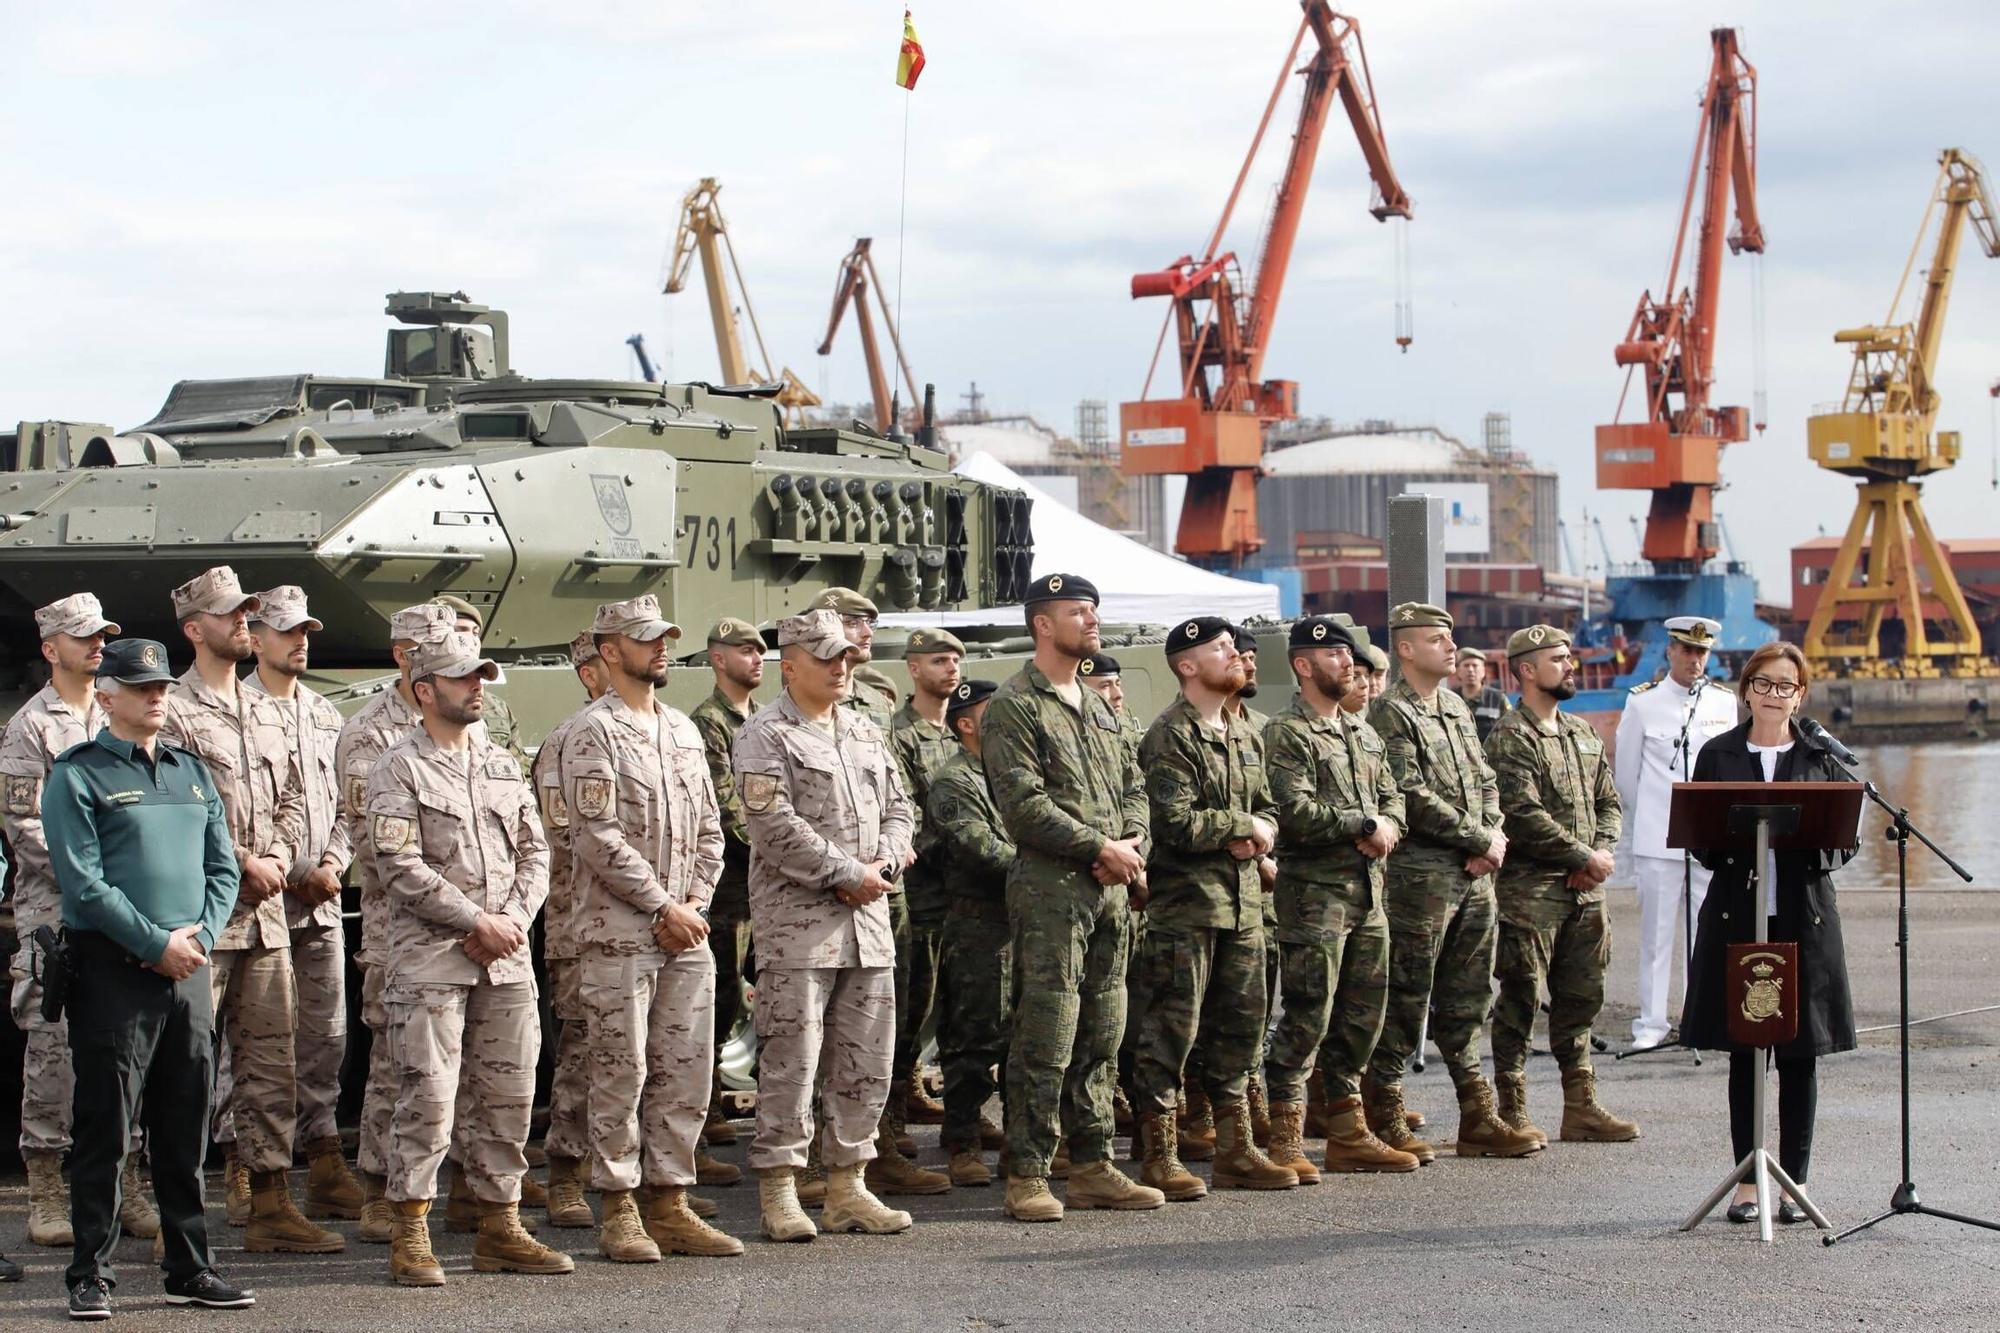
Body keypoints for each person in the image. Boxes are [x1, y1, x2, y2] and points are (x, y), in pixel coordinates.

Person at [46, 637, 254, 1318]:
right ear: (106, 695)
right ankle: (91, 1272)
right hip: (113, 970)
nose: (157, 695)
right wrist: (151, 940)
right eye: (140, 686)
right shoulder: (76, 775)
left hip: (187, 967)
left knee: (184, 1123)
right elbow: (83, 880)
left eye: (162, 684)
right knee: (106, 1127)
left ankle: (189, 1266)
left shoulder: (192, 773)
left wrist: (195, 933)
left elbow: (223, 869)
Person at [367, 630, 570, 1285]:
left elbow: (537, 853)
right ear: (425, 690)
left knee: (509, 1097)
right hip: (432, 962)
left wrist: (509, 920)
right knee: (428, 1099)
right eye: (462, 677)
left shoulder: (503, 761)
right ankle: (411, 1229)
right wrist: (474, 919)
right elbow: (397, 864)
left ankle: (499, 1225)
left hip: (505, 961)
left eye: (481, 674)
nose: (478, 685)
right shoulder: (398, 765)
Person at [161, 567, 338, 1252]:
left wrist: (282, 858)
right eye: (228, 614)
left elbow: (296, 791)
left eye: (245, 612)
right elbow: (175, 803)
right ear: (193, 628)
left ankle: (270, 1204)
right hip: (202, 915)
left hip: (266, 915)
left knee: (271, 1067)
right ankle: (177, 1218)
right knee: (188, 1066)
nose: (242, 621)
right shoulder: (171, 709)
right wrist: (244, 861)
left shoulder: (265, 709)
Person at [980, 574, 1163, 1223]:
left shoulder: (1099, 704)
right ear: (1041, 623)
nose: (1090, 619)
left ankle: (1092, 1163)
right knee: (1046, 1031)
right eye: (1076, 611)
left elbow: (1133, 782)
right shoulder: (1015, 705)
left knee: (1103, 1032)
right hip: (1054, 889)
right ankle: (1028, 1170)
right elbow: (1023, 805)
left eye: (1093, 609)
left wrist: (1133, 839)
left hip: (1113, 889)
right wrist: (1098, 846)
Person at [563, 595, 739, 1262]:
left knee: (686, 1071)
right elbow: (596, 837)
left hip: (685, 932)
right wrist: (665, 906)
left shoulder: (682, 731)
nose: (662, 648)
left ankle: (670, 1201)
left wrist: (692, 903)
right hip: (621, 933)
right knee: (620, 1070)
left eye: (666, 636)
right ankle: (619, 1208)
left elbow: (710, 830)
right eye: (646, 639)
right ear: (611, 651)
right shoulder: (593, 731)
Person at [732, 610, 916, 1242]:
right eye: (829, 658)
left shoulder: (864, 730)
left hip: (868, 924)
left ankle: (848, 1189)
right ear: (793, 665)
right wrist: (847, 872)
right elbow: (774, 826)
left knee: (867, 1061)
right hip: (799, 931)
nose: (843, 667)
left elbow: (900, 806)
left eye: (848, 658)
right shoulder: (765, 735)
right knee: (791, 1062)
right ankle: (781, 1190)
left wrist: (885, 861)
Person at [1681, 640, 1856, 1226]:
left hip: (1802, 916)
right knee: (1745, 1049)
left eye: (1786, 686)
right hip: (1739, 912)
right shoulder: (1718, 753)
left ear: (1800, 695)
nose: (1774, 695)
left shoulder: (1818, 755)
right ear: (1746, 690)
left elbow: (1843, 842)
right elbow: (1702, 840)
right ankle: (1747, 1180)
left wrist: (1813, 837)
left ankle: (1794, 1182)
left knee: (1800, 1053)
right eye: (1764, 684)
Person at [3, 593, 159, 1249]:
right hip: (59, 909)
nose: (97, 645)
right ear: (50, 648)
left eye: (101, 635)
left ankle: (129, 1178)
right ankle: (46, 1185)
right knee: (55, 1047)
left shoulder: (117, 714)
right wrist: (96, 876)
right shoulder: (28, 728)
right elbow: (25, 826)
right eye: (82, 636)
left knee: (127, 1046)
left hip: (123, 909)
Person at [1129, 617, 1294, 1199]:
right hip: (1188, 910)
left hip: (1244, 906)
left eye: (1232, 647)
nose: (1235, 656)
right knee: (1170, 1035)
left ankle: (1236, 1150)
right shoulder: (1170, 734)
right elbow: (1170, 823)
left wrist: (1260, 831)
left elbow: (1270, 806)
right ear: (1187, 666)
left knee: (1240, 1033)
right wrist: (1242, 827)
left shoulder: (1244, 732)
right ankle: (1160, 1155)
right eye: (1220, 649)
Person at [1365, 603, 1538, 1160]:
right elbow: (1408, 792)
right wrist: (1476, 839)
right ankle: (1385, 1113)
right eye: (1437, 639)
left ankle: (1478, 1116)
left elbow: (1487, 779)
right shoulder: (1391, 713)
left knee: (1468, 998)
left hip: (1474, 877)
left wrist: (1492, 834)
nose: (1451, 647)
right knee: (1407, 997)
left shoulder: (1459, 711)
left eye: (1450, 638)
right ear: (1407, 649)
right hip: (1422, 881)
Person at [1261, 617, 1415, 1180]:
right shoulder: (1287, 733)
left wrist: (1389, 825)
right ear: (1303, 666)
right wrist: (1363, 822)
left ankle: (1349, 1129)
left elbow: (1393, 795)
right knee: (1308, 1014)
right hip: (1314, 897)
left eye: (1350, 656)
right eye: (1334, 657)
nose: (1348, 664)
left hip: (1367, 894)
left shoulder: (1362, 732)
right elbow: (1291, 810)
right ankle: (1285, 1135)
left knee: (1363, 1013)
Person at [1484, 626, 1637, 1146]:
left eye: (1569, 657)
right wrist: (1581, 855)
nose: (1571, 666)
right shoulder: (1510, 737)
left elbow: (1609, 803)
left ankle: (1581, 1106)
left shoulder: (1582, 733)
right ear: (1526, 670)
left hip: (1586, 891)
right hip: (1530, 895)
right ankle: (1512, 1108)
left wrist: (1601, 855)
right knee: (1521, 998)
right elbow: (1520, 814)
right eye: (1558, 659)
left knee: (1582, 998)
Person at [334, 601, 457, 1243]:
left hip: (467, 926)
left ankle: (453, 1188)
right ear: (403, 658)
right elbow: (373, 845)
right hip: (399, 925)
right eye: (427, 648)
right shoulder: (369, 733)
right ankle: (382, 1190)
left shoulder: (467, 722)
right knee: (395, 1062)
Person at [243, 586, 363, 1220]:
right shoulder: (240, 710)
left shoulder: (324, 714)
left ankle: (321, 1155)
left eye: (305, 631)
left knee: (326, 1037)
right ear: (254, 639)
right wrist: (296, 871)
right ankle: (242, 1160)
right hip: (258, 904)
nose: (301, 641)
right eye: (287, 632)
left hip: (320, 903)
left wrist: (334, 864)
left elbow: (347, 803)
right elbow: (235, 816)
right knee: (253, 1039)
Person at [1614, 615, 1738, 1051]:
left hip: (1708, 839)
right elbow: (1627, 776)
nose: (1694, 659)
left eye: (1702, 652)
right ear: (1670, 651)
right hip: (1658, 837)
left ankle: (1699, 1017)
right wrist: (1653, 816)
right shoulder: (1643, 703)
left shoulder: (1723, 703)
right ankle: (1651, 1023)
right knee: (1656, 935)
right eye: (1687, 650)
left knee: (1705, 932)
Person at [879, 627, 967, 1192]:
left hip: (967, 895)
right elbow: (909, 814)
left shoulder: (963, 729)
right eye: (939, 660)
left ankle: (923, 1099)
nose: (951, 668)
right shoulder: (901, 736)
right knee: (909, 1009)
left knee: (961, 1009)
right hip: (927, 891)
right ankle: (885, 1125)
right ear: (913, 669)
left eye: (956, 659)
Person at [533, 631, 611, 1229]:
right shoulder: (569, 742)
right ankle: (565, 1173)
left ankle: (633, 1178)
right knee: (584, 1052)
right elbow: (569, 840)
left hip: (645, 923)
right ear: (589, 673)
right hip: (583, 921)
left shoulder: (662, 734)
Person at [927, 678, 1015, 1186]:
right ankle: (961, 1139)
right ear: (966, 724)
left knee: (1020, 1036)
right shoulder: (955, 782)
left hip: (1023, 917)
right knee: (973, 1037)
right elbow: (982, 850)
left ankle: (1012, 1137)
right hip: (978, 923)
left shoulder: (1014, 770)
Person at [688, 617, 765, 1151]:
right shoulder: (709, 722)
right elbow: (724, 803)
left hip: (770, 881)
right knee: (720, 992)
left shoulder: (762, 720)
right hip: (733, 882)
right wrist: (780, 849)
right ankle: (708, 1101)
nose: (757, 658)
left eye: (761, 651)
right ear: (718, 659)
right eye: (745, 650)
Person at [1451, 647, 1512, 743]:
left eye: (1475, 666)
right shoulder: (1450, 699)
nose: (1470, 670)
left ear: (1483, 671)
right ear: (1458, 671)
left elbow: (1510, 730)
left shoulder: (1498, 699)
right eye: (1466, 666)